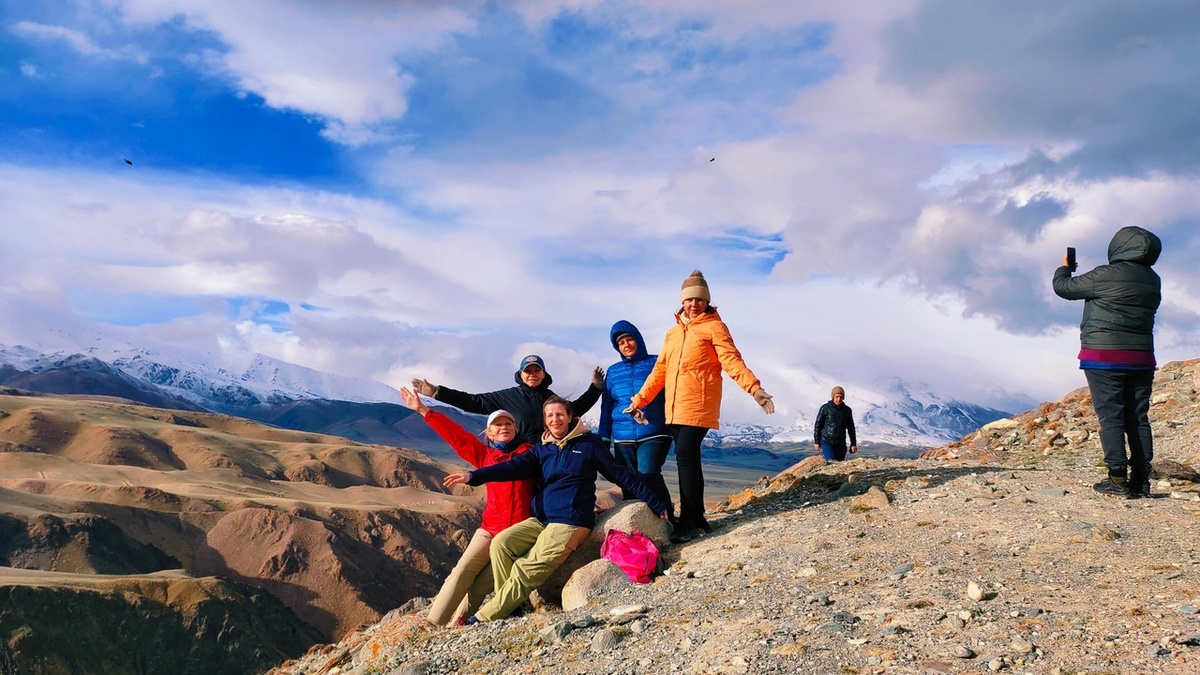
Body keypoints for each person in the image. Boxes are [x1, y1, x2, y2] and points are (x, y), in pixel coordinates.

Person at [443, 396, 670, 623]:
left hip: (570, 521)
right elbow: (510, 467)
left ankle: (480, 619)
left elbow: (621, 475)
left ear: (570, 417)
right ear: (544, 420)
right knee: (502, 544)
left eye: (560, 414)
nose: (555, 419)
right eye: (550, 415)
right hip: (542, 520)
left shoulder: (589, 444)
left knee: (525, 569)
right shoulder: (543, 448)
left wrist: (655, 501)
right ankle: (512, 607)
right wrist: (473, 476)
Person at [624, 270, 774, 543]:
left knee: (684, 455)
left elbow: (731, 360)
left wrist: (754, 388)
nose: (694, 305)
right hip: (675, 407)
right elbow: (660, 371)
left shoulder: (715, 327)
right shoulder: (672, 334)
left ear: (707, 302)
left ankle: (689, 521)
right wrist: (639, 400)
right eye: (689, 299)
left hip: (699, 402)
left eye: (699, 300)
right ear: (682, 302)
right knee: (688, 460)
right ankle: (698, 517)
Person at [399, 386, 536, 626]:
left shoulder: (531, 455)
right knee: (461, 572)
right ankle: (432, 625)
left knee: (481, 585)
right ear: (489, 434)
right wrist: (424, 410)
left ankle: (458, 624)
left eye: (508, 425)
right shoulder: (484, 455)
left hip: (517, 534)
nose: (504, 428)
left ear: (516, 430)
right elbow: (457, 436)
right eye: (498, 425)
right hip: (490, 528)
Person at [1053, 226, 1162, 498]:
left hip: (1104, 357)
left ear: (1118, 246)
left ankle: (1116, 480)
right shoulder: (1153, 279)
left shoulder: (1105, 274)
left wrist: (1064, 268)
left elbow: (1063, 288)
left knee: (1111, 417)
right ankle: (1141, 482)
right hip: (1142, 357)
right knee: (1138, 418)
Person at [411, 354, 605, 444]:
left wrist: (595, 388)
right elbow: (472, 401)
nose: (532, 374)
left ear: (544, 374)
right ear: (520, 374)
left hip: (550, 453)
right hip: (520, 454)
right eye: (527, 371)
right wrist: (438, 392)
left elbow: (576, 409)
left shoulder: (552, 399)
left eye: (537, 370)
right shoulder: (508, 397)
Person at [598, 320, 674, 517]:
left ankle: (669, 521)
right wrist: (604, 438)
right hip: (622, 437)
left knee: (648, 474)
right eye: (621, 343)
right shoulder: (613, 371)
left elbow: (672, 394)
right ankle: (637, 528)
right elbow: (607, 407)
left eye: (629, 339)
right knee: (628, 482)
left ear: (638, 340)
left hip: (654, 431)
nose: (626, 345)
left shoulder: (657, 363)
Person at [814, 386, 857, 461]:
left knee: (839, 466)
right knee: (831, 461)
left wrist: (853, 444)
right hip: (826, 440)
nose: (839, 399)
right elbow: (818, 425)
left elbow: (851, 428)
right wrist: (817, 441)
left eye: (841, 397)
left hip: (841, 443)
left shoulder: (847, 410)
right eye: (836, 397)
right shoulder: (825, 408)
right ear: (833, 397)